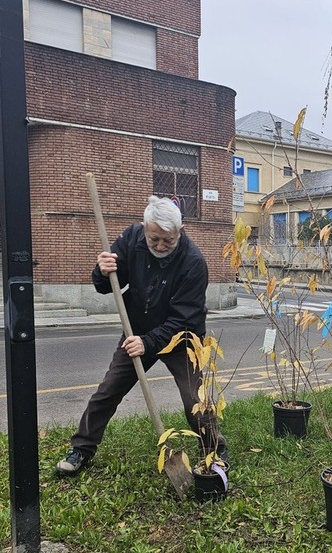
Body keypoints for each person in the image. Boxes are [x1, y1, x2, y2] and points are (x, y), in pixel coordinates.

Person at [56, 196, 227, 476]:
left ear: (180, 231)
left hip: (182, 340)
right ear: (144, 227)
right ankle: (82, 449)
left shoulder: (194, 262)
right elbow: (109, 284)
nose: (160, 245)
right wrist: (102, 272)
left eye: (167, 240)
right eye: (154, 239)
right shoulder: (131, 239)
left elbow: (184, 319)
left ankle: (214, 453)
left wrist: (147, 343)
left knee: (194, 399)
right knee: (108, 391)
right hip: (137, 333)